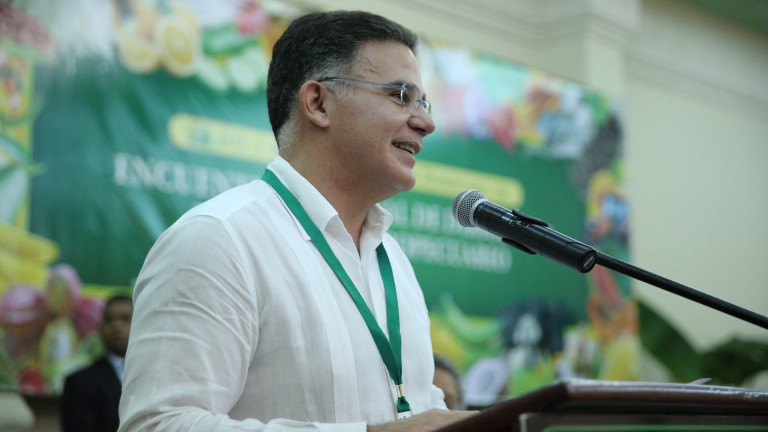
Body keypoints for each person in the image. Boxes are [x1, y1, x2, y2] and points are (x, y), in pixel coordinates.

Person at [118, 10, 476, 432]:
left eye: (424, 102)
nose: (426, 122)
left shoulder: (392, 259)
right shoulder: (218, 240)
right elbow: (158, 424)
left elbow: (419, 408)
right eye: (400, 95)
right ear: (318, 103)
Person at [61, 294, 133, 432]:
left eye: (125, 318)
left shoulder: (157, 376)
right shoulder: (80, 382)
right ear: (100, 327)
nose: (116, 326)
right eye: (109, 319)